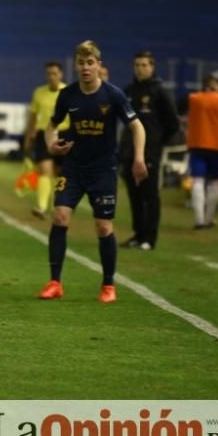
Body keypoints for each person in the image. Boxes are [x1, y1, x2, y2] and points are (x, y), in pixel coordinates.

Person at [38, 40, 146, 303]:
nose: (85, 68)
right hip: (73, 168)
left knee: (102, 225)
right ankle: (55, 282)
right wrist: (52, 144)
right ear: (75, 66)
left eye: (90, 63)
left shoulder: (113, 95)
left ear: (99, 65)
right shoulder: (68, 96)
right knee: (60, 216)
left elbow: (137, 127)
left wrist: (139, 158)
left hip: (103, 171)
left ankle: (108, 286)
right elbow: (51, 127)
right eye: (81, 63)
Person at [118, 51, 179, 249]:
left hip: (149, 152)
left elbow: (173, 123)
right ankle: (138, 234)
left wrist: (157, 143)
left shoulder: (159, 91)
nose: (140, 69)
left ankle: (149, 239)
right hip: (129, 151)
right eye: (137, 65)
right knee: (134, 195)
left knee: (149, 195)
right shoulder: (128, 91)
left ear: (152, 67)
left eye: (144, 65)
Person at [23, 62, 68, 220]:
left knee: (60, 173)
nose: (51, 76)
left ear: (61, 74)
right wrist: (28, 138)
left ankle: (59, 206)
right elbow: (33, 117)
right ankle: (41, 207)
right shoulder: (39, 93)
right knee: (44, 169)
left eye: (54, 73)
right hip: (44, 134)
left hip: (64, 134)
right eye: (49, 73)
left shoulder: (68, 92)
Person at [186, 75, 218, 229]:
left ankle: (199, 220)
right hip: (215, 146)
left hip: (196, 144)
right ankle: (209, 218)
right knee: (213, 182)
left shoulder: (193, 98)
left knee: (197, 181)